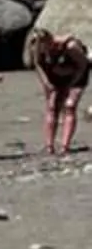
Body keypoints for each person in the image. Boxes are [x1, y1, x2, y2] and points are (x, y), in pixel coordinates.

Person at [26, 22, 90, 155]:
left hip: (76, 74)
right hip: (54, 75)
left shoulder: (70, 46)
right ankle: (49, 146)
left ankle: (65, 146)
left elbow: (83, 66)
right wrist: (46, 82)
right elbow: (37, 64)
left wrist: (72, 88)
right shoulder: (36, 48)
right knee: (51, 107)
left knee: (69, 106)